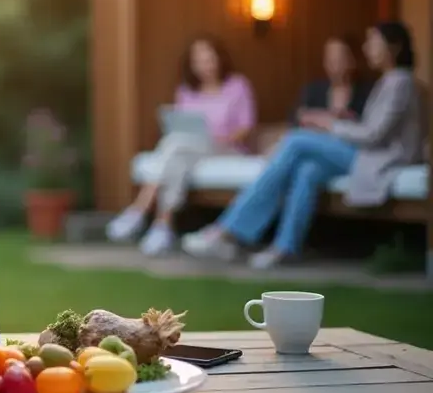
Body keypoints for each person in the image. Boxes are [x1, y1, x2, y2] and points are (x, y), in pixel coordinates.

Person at [182, 21, 425, 270]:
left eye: (373, 42)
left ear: (393, 47)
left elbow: (374, 135)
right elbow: (374, 128)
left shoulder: (399, 82)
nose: (367, 48)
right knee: (307, 170)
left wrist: (328, 123)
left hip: (379, 157)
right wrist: (340, 121)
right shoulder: (389, 81)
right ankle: (285, 246)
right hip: (368, 152)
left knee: (297, 140)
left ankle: (227, 229)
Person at [106, 35, 257, 256]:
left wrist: (224, 139)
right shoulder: (186, 91)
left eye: (208, 59)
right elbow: (182, 123)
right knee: (177, 149)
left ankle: (139, 212)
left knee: (175, 145)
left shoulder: (238, 86)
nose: (204, 65)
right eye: (198, 60)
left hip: (226, 148)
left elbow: (247, 126)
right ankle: (162, 225)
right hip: (191, 149)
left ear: (219, 59)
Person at [292, 34, 372, 124]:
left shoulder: (367, 92)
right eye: (329, 59)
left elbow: (369, 127)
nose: (333, 66)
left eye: (338, 60)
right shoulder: (313, 90)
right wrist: (323, 117)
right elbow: (295, 117)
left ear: (353, 61)